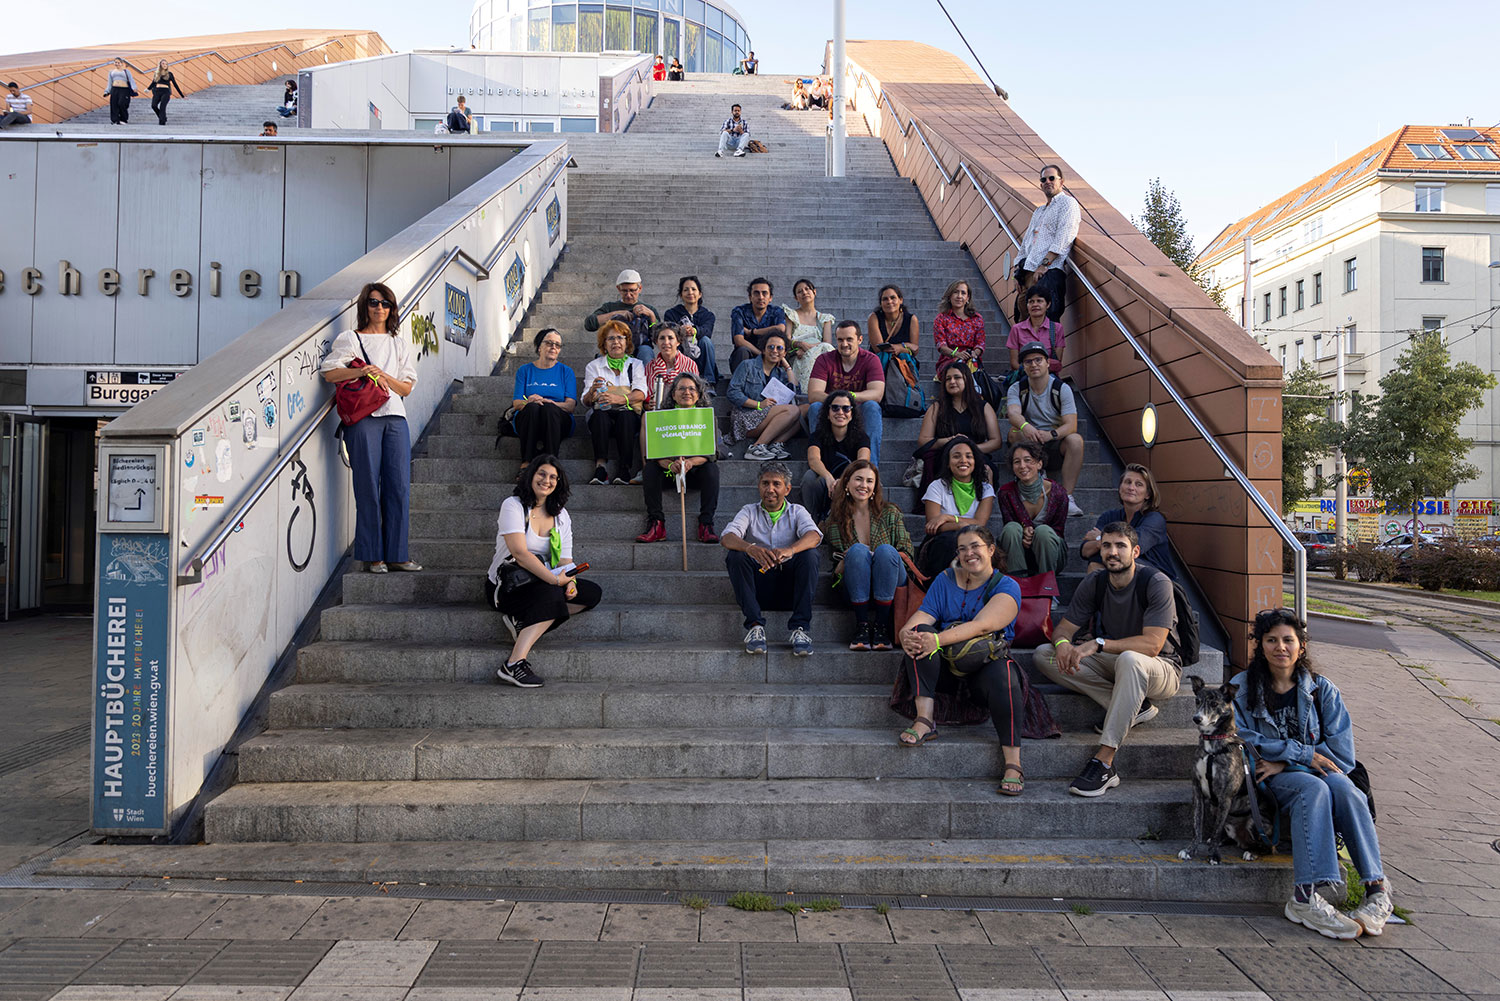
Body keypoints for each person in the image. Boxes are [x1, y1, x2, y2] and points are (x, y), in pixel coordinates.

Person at [1233, 609, 1394, 939]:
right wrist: (1302, 755)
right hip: (1269, 780)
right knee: (1314, 789)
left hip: (1301, 770)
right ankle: (1304, 898)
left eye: (1288, 640)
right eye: (1271, 640)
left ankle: (1377, 891)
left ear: (1301, 646)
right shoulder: (1242, 689)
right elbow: (1243, 739)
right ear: (1260, 646)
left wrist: (1287, 760)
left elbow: (1342, 754)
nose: (1281, 647)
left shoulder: (1323, 691)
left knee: (1347, 789)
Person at [1034, 522, 1183, 797]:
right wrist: (1064, 644)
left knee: (1130, 659)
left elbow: (1152, 645)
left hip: (1161, 670)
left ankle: (1104, 762)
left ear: (1135, 551)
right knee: (1044, 655)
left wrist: (1099, 643)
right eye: (1106, 546)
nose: (1112, 552)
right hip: (1119, 663)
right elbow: (1063, 629)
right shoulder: (1096, 581)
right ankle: (1134, 707)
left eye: (1120, 546)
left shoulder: (1156, 582)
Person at [896, 526, 1031, 794]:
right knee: (917, 633)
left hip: (984, 667)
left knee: (1005, 673)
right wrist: (904, 632)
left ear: (991, 550)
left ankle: (1013, 763)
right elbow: (924, 615)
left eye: (975, 546)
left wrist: (937, 640)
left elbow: (984, 625)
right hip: (945, 666)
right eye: (962, 548)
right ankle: (924, 719)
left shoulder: (1007, 586)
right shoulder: (945, 578)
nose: (969, 553)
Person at [319, 282, 421, 574]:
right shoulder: (350, 338)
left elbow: (405, 388)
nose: (379, 308)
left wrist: (382, 374)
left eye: (385, 303)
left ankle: (398, 554)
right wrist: (361, 370)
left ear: (392, 309)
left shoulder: (399, 343)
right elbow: (329, 372)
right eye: (374, 302)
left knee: (398, 486)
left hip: (395, 418)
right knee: (367, 486)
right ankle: (372, 555)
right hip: (363, 419)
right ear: (365, 305)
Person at [485, 455, 602, 688]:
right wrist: (555, 580)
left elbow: (566, 559)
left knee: (592, 593)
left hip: (541, 584)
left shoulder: (561, 515)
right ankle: (514, 664)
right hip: (506, 586)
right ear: (531, 475)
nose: (546, 480)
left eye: (553, 477)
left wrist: (570, 582)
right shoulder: (514, 505)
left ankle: (523, 622)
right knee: (553, 595)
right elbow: (520, 553)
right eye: (542, 474)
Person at [721, 461, 821, 656]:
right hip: (759, 589)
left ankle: (800, 629)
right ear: (759, 486)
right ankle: (755, 626)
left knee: (810, 555)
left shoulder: (797, 511)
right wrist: (750, 548)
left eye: (776, 484)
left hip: (790, 590)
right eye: (765, 483)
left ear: (787, 489)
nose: (770, 489)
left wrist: (790, 550)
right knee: (736, 555)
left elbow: (814, 536)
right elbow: (727, 537)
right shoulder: (749, 511)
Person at [824, 460, 913, 651]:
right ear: (846, 483)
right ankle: (862, 626)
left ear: (875, 486)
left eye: (869, 481)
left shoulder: (890, 513)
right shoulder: (835, 520)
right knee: (858, 551)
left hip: (891, 582)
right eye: (858, 479)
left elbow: (906, 552)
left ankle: (881, 626)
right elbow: (837, 561)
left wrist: (880, 558)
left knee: (886, 551)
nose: (864, 485)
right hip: (855, 585)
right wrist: (851, 559)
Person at [636, 373, 720, 544]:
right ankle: (656, 523)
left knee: (711, 469)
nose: (686, 392)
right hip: (669, 473)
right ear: (673, 394)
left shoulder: (707, 417)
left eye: (691, 388)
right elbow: (653, 452)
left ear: (699, 394)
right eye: (681, 388)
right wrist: (668, 464)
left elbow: (712, 453)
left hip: (694, 472)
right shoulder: (661, 417)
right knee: (650, 469)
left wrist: (690, 462)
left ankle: (706, 524)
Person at [1006, 341, 1084, 516]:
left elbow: (1071, 425)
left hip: (1055, 441)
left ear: (1048, 362)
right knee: (1014, 433)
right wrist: (1026, 427)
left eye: (1038, 360)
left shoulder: (1061, 388)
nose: (1034, 364)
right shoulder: (1017, 388)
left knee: (1076, 440)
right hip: (1030, 442)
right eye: (1028, 362)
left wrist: (1052, 434)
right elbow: (1013, 414)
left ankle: (1067, 497)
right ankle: (1038, 483)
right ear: (1023, 367)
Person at [913, 364, 1002, 499]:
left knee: (986, 470)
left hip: (977, 455)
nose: (952, 382)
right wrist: (950, 440)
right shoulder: (937, 408)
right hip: (946, 456)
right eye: (948, 379)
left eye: (957, 377)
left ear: (967, 380)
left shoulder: (983, 407)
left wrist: (969, 451)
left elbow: (996, 441)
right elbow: (923, 440)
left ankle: (983, 510)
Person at [807, 321, 885, 463]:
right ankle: (820, 465)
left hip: (858, 409)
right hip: (832, 410)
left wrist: (850, 398)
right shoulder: (824, 359)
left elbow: (877, 393)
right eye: (840, 340)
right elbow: (813, 394)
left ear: (860, 340)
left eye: (849, 339)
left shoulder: (871, 359)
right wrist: (837, 404)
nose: (844, 344)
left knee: (872, 407)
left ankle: (869, 469)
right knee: (815, 407)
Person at [1081, 464, 1176, 580]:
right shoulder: (1109, 516)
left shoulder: (1155, 519)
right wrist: (1099, 542)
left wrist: (1101, 540)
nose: (1131, 487)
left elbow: (1132, 547)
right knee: (1096, 564)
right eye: (1127, 482)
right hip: (1123, 571)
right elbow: (1085, 551)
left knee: (1112, 559)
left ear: (1148, 494)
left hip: (1156, 580)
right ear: (1120, 487)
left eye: (1139, 484)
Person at [918, 436, 995, 578]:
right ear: (948, 462)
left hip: (974, 539)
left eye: (968, 456)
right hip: (941, 543)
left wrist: (948, 518)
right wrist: (961, 526)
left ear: (975, 461)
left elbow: (980, 523)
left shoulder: (985, 489)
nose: (963, 461)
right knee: (949, 541)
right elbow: (933, 526)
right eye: (956, 456)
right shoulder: (937, 486)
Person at [1012, 164, 1079, 323]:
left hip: (1048, 271)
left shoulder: (1068, 204)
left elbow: (1064, 238)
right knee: (1022, 322)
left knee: (1045, 323)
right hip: (1027, 272)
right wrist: (1017, 273)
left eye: (1052, 178)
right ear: (1040, 184)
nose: (1047, 181)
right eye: (1044, 179)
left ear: (1061, 182)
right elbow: (1026, 244)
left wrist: (1044, 265)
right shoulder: (1039, 211)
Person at [581, 320, 646, 485]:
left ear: (627, 342)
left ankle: (624, 468)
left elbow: (641, 393)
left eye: (620, 338)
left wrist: (619, 399)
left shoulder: (636, 364)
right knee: (599, 416)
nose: (616, 342)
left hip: (627, 412)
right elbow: (586, 401)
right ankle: (601, 467)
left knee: (626, 417)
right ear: (604, 344)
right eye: (610, 339)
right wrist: (592, 391)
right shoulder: (594, 366)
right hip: (603, 413)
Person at [996, 441, 1068, 576]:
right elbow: (1009, 527)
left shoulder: (1058, 493)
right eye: (1017, 462)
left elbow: (1058, 530)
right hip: (1018, 554)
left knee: (1044, 531)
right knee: (1011, 528)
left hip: (1050, 555)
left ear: (1039, 464)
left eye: (1028, 460)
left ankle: (1047, 589)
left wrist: (1034, 535)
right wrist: (1024, 531)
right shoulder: (1006, 493)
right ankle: (1018, 584)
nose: (1022, 466)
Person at [728, 332, 803, 460]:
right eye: (771, 347)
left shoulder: (780, 372)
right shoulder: (747, 365)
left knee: (805, 409)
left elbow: (795, 391)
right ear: (763, 350)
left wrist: (787, 366)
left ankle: (776, 444)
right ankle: (757, 447)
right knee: (793, 410)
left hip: (768, 416)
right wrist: (758, 404)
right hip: (746, 417)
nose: (774, 351)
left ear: (784, 353)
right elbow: (732, 392)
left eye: (779, 348)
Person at [801, 389, 870, 522]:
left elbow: (863, 462)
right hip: (824, 481)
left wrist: (844, 480)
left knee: (865, 479)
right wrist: (829, 478)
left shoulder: (861, 437)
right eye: (835, 408)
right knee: (809, 476)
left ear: (852, 414)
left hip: (850, 481)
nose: (840, 412)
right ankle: (812, 521)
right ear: (828, 413)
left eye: (846, 409)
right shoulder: (817, 435)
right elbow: (813, 459)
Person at [510, 328, 577, 461]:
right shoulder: (524, 370)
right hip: (529, 419)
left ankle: (551, 463)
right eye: (549, 343)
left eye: (557, 345)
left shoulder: (566, 372)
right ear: (539, 346)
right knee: (532, 407)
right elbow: (516, 403)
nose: (553, 347)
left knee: (549, 408)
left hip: (557, 421)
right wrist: (528, 402)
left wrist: (552, 403)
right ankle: (526, 463)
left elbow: (570, 406)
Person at [585, 268, 660, 363]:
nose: (628, 295)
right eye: (624, 291)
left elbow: (656, 336)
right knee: (602, 356)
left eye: (632, 290)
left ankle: (647, 377)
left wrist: (652, 317)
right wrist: (614, 314)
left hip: (640, 349)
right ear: (618, 289)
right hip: (615, 346)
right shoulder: (610, 307)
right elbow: (589, 324)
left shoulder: (649, 309)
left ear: (640, 288)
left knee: (646, 352)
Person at [661, 275, 719, 386]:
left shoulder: (708, 315)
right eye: (686, 290)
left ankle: (709, 382)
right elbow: (669, 332)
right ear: (681, 294)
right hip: (681, 352)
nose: (690, 292)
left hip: (701, 355)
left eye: (693, 289)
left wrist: (694, 331)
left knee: (706, 341)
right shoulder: (671, 313)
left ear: (700, 294)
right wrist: (680, 331)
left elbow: (707, 331)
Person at [782, 278, 835, 391]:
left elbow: (827, 344)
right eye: (800, 291)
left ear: (814, 292)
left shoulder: (825, 318)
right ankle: (806, 393)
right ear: (796, 297)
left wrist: (807, 349)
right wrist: (799, 344)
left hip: (818, 357)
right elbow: (786, 339)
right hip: (797, 356)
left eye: (807, 289)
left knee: (827, 349)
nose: (804, 292)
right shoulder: (791, 315)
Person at [729, 277, 789, 371]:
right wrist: (761, 354)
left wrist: (753, 332)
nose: (761, 297)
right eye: (756, 293)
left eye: (764, 293)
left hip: (770, 354)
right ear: (750, 297)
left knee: (779, 352)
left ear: (770, 298)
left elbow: (780, 329)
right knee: (742, 350)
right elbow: (739, 340)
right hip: (748, 355)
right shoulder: (739, 312)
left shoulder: (776, 311)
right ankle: (740, 384)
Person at [1007, 286, 1065, 378]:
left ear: (1048, 304)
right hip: (1024, 375)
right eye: (1031, 302)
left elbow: (1057, 362)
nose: (1035, 305)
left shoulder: (1057, 328)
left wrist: (1038, 370)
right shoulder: (1016, 329)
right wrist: (1032, 370)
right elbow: (1014, 364)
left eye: (1039, 301)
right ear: (1027, 305)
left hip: (1048, 376)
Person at [932, 279, 986, 377]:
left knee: (970, 370)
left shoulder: (977, 319)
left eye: (963, 293)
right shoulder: (941, 319)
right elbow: (941, 345)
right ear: (949, 296)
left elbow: (980, 344)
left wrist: (974, 353)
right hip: (949, 359)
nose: (959, 296)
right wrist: (956, 354)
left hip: (971, 359)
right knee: (959, 368)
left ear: (968, 298)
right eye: (955, 292)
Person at [642, 323, 700, 411]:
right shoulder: (650, 366)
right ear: (656, 342)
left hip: (682, 413)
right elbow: (646, 398)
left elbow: (694, 394)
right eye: (662, 338)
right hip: (657, 413)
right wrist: (648, 404)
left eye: (670, 338)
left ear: (678, 341)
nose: (666, 342)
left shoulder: (690, 364)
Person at [867, 284, 919, 359]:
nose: (889, 301)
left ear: (900, 300)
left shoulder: (911, 319)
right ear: (881, 303)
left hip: (903, 364)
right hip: (879, 362)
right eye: (885, 299)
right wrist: (906, 346)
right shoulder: (874, 318)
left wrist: (900, 348)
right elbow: (878, 349)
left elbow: (915, 350)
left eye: (893, 298)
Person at [147, 60, 184, 125]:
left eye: (166, 64)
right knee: (154, 105)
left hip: (166, 92)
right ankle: (163, 118)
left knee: (162, 106)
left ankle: (162, 122)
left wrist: (182, 95)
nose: (164, 65)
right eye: (163, 63)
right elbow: (153, 83)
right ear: (160, 65)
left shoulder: (169, 74)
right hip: (157, 91)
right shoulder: (156, 73)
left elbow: (175, 84)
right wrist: (148, 89)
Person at [105, 57, 135, 124]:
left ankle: (123, 119)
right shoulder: (111, 72)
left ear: (121, 63)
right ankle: (115, 120)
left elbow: (131, 80)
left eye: (118, 62)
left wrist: (134, 87)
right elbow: (109, 83)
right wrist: (107, 91)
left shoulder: (126, 71)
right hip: (115, 89)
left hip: (124, 89)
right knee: (114, 105)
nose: (117, 64)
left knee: (122, 103)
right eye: (115, 62)